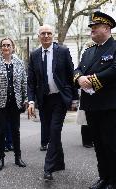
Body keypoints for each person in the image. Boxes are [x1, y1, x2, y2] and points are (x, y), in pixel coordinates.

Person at [73, 11, 116, 189]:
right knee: (98, 143)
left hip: (111, 105)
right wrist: (78, 78)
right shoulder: (89, 51)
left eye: (95, 27)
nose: (92, 30)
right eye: (92, 27)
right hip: (92, 105)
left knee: (111, 144)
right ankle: (104, 177)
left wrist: (90, 81)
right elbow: (78, 69)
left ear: (107, 28)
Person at [27, 24, 78, 181]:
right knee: (51, 132)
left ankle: (48, 168)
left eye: (49, 33)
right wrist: (31, 101)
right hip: (44, 99)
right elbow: (31, 81)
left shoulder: (62, 51)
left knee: (55, 131)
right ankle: (60, 162)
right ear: (39, 36)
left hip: (60, 98)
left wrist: (75, 99)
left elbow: (71, 74)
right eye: (43, 33)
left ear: (53, 35)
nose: (46, 36)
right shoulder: (34, 55)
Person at [0, 37, 27, 171]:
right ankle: (0, 158)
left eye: (8, 45)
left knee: (16, 130)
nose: (6, 47)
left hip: (15, 102)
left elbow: (23, 83)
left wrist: (25, 99)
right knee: (0, 131)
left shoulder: (19, 63)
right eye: (3, 45)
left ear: (13, 47)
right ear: (0, 48)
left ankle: (18, 157)